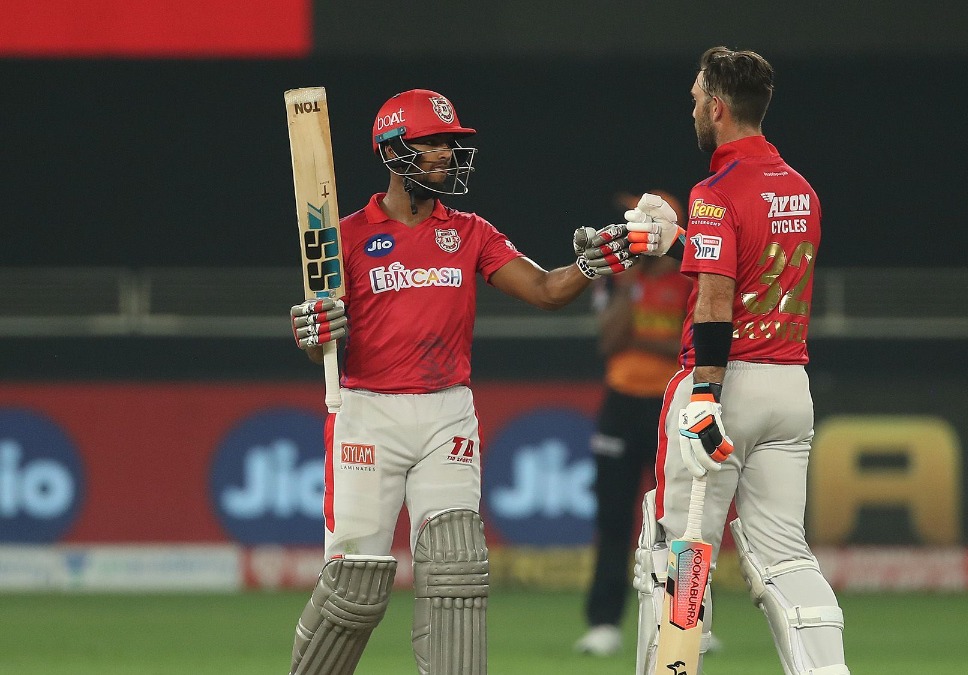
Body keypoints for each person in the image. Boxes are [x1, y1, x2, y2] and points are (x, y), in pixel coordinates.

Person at [285, 88, 637, 675]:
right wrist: (309, 330)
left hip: (447, 414)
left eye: (450, 144)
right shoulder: (343, 235)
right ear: (393, 151)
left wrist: (589, 265)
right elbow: (320, 333)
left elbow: (546, 290)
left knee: (456, 571)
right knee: (353, 589)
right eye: (433, 143)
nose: (447, 154)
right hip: (367, 414)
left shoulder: (471, 231)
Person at [623, 47, 852, 674]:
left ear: (718, 108)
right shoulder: (800, 189)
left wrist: (705, 395)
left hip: (725, 387)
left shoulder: (715, 191)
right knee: (784, 555)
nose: (693, 109)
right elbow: (755, 266)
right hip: (790, 388)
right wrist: (676, 241)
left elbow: (718, 297)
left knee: (678, 555)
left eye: (698, 99)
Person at [574, 193, 692, 658]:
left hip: (672, 405)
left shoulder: (690, 277)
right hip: (621, 405)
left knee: (681, 519)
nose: (634, 237)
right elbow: (609, 341)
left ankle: (686, 618)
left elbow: (686, 346)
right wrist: (628, 283)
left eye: (644, 228)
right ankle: (604, 623)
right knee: (613, 518)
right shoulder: (616, 279)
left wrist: (642, 339)